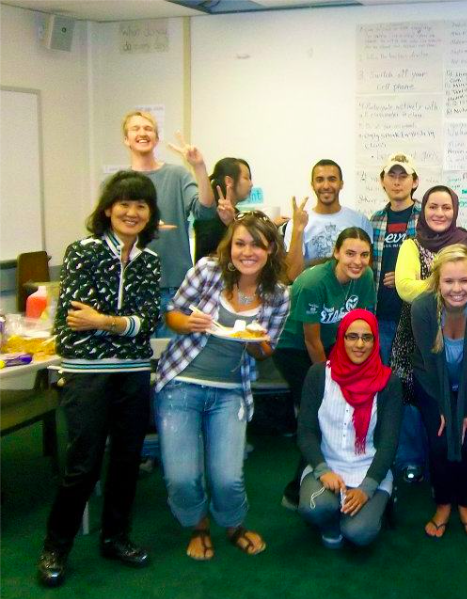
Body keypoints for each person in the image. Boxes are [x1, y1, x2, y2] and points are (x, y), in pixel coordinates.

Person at [38, 172, 162, 588]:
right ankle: (56, 547)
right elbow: (75, 320)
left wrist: (104, 321)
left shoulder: (149, 260)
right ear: (108, 209)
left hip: (133, 373)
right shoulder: (83, 252)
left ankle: (115, 537)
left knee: (127, 460)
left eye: (141, 206)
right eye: (124, 204)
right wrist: (123, 324)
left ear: (150, 214)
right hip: (86, 374)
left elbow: (149, 322)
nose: (132, 212)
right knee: (83, 464)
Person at [154, 212, 290, 560]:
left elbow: (266, 350)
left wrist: (255, 341)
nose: (247, 252)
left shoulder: (277, 294)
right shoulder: (207, 271)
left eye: (257, 245)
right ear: (230, 247)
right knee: (182, 477)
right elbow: (173, 313)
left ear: (270, 249)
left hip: (230, 390)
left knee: (227, 477)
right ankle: (198, 526)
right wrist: (188, 323)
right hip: (181, 382)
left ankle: (233, 525)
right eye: (240, 243)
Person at [391, 185, 467, 488]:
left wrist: (438, 284)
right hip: (417, 334)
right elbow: (404, 288)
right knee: (415, 405)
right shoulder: (411, 245)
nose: (439, 213)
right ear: (423, 210)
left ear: (455, 211)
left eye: (446, 207)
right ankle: (416, 464)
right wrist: (447, 284)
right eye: (432, 206)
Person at [274, 227, 377, 509]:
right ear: (336, 253)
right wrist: (330, 383)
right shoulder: (313, 283)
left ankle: (347, 475)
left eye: (364, 255)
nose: (357, 261)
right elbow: (311, 340)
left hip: (333, 343)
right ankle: (296, 490)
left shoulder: (366, 277)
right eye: (350, 253)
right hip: (294, 348)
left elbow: (362, 323)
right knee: (319, 411)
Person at [411, 245, 467, 538]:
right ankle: (443, 503)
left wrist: (465, 411)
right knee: (439, 441)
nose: (457, 289)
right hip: (433, 383)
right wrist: (446, 409)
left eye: (465, 280)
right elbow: (429, 365)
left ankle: (465, 503)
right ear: (437, 281)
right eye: (449, 281)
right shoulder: (422, 308)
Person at [297, 310, 403, 548]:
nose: (359, 344)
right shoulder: (319, 375)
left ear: (375, 341)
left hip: (369, 470)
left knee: (359, 533)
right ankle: (331, 518)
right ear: (341, 338)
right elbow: (306, 432)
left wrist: (367, 488)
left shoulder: (389, 382)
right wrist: (323, 470)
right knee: (315, 508)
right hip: (327, 467)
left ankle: (368, 508)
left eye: (367, 337)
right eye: (352, 336)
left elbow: (389, 442)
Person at [120, 110, 216, 331]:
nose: (142, 133)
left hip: (175, 286)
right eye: (135, 129)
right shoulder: (118, 182)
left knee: (173, 350)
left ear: (156, 138)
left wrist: (199, 167)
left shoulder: (177, 175)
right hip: (131, 286)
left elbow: (205, 211)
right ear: (126, 139)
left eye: (148, 129)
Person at [283, 159, 373, 280]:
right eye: (320, 180)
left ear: (341, 184)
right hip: (313, 289)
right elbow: (293, 275)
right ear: (312, 185)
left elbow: (367, 271)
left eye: (332, 179)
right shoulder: (297, 223)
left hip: (350, 290)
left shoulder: (360, 221)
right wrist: (298, 230)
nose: (326, 186)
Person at [370, 152, 421, 361]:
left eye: (403, 176)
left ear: (415, 181)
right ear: (382, 181)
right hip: (382, 315)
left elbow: (438, 264)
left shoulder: (426, 218)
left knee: (413, 374)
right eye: (391, 176)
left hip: (415, 315)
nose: (397, 182)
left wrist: (403, 278)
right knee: (383, 373)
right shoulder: (375, 220)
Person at [193, 157, 253, 262]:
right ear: (229, 181)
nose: (251, 184)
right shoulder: (209, 212)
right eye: (246, 178)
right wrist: (230, 223)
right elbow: (208, 250)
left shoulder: (235, 213)